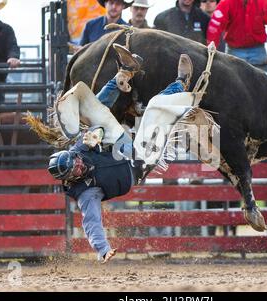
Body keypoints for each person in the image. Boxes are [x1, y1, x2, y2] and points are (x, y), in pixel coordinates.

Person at [48, 45, 194, 263]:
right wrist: (102, 248)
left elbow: (96, 125)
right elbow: (92, 222)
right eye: (74, 170)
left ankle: (123, 74)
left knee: (94, 111)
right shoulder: (85, 193)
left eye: (75, 161)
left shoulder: (79, 150)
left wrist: (94, 133)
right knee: (154, 108)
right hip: (137, 165)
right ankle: (181, 85)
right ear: (70, 177)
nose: (79, 165)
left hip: (120, 146)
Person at [206, 0, 267, 73]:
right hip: (237, 51)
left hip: (254, 51)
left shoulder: (264, 2)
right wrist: (211, 56)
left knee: (263, 83)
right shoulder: (226, 3)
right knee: (234, 83)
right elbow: (214, 29)